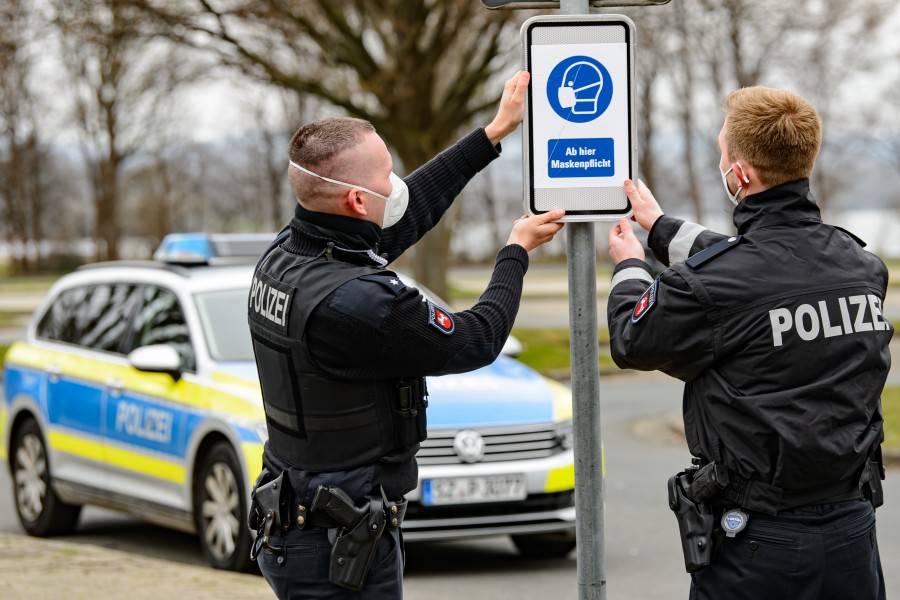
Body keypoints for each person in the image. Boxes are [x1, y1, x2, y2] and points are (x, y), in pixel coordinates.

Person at [247, 70, 565, 599]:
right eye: (386, 176)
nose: (397, 185)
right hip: (338, 542)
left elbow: (407, 212)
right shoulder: (362, 304)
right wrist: (515, 252)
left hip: (299, 520)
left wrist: (492, 134)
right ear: (355, 202)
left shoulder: (287, 255)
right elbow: (477, 338)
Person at [606, 86, 891, 599]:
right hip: (852, 530)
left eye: (721, 153)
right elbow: (764, 265)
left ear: (739, 175)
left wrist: (629, 266)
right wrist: (659, 228)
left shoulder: (717, 285)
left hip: (759, 543)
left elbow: (632, 338)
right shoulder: (862, 267)